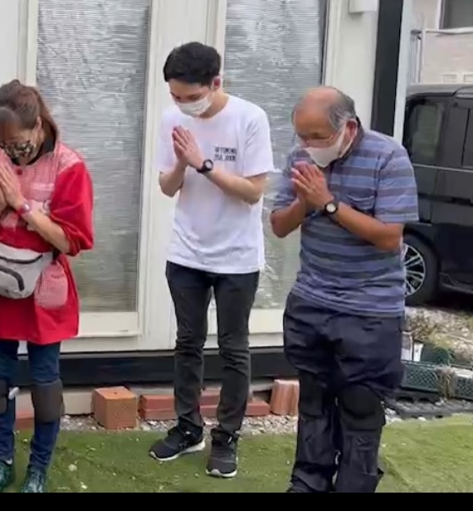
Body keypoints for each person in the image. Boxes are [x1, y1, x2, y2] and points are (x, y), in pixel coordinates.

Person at [270, 87, 417, 493]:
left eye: (317, 136)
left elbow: (389, 237)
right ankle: (308, 482)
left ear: (348, 127)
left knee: (360, 405)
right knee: (314, 400)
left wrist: (328, 202)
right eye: (302, 135)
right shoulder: (300, 158)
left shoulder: (388, 157)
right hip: (312, 300)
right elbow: (279, 225)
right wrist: (305, 202)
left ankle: (354, 486)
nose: (309, 145)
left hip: (370, 308)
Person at [0, 80, 95, 493]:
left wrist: (22, 205)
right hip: (0, 285)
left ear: (38, 126)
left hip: (43, 291)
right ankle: (2, 463)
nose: (13, 152)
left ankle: (38, 470)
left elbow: (72, 240)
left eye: (18, 143)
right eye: (3, 144)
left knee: (45, 383)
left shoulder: (69, 166)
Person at [149, 42, 274, 479]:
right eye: (175, 95)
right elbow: (167, 187)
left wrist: (202, 164)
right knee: (188, 342)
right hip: (186, 252)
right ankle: (188, 428)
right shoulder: (172, 119)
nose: (182, 104)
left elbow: (253, 191)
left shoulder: (249, 118)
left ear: (215, 83)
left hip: (237, 257)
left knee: (233, 348)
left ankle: (227, 437)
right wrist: (182, 165)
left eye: (190, 96)